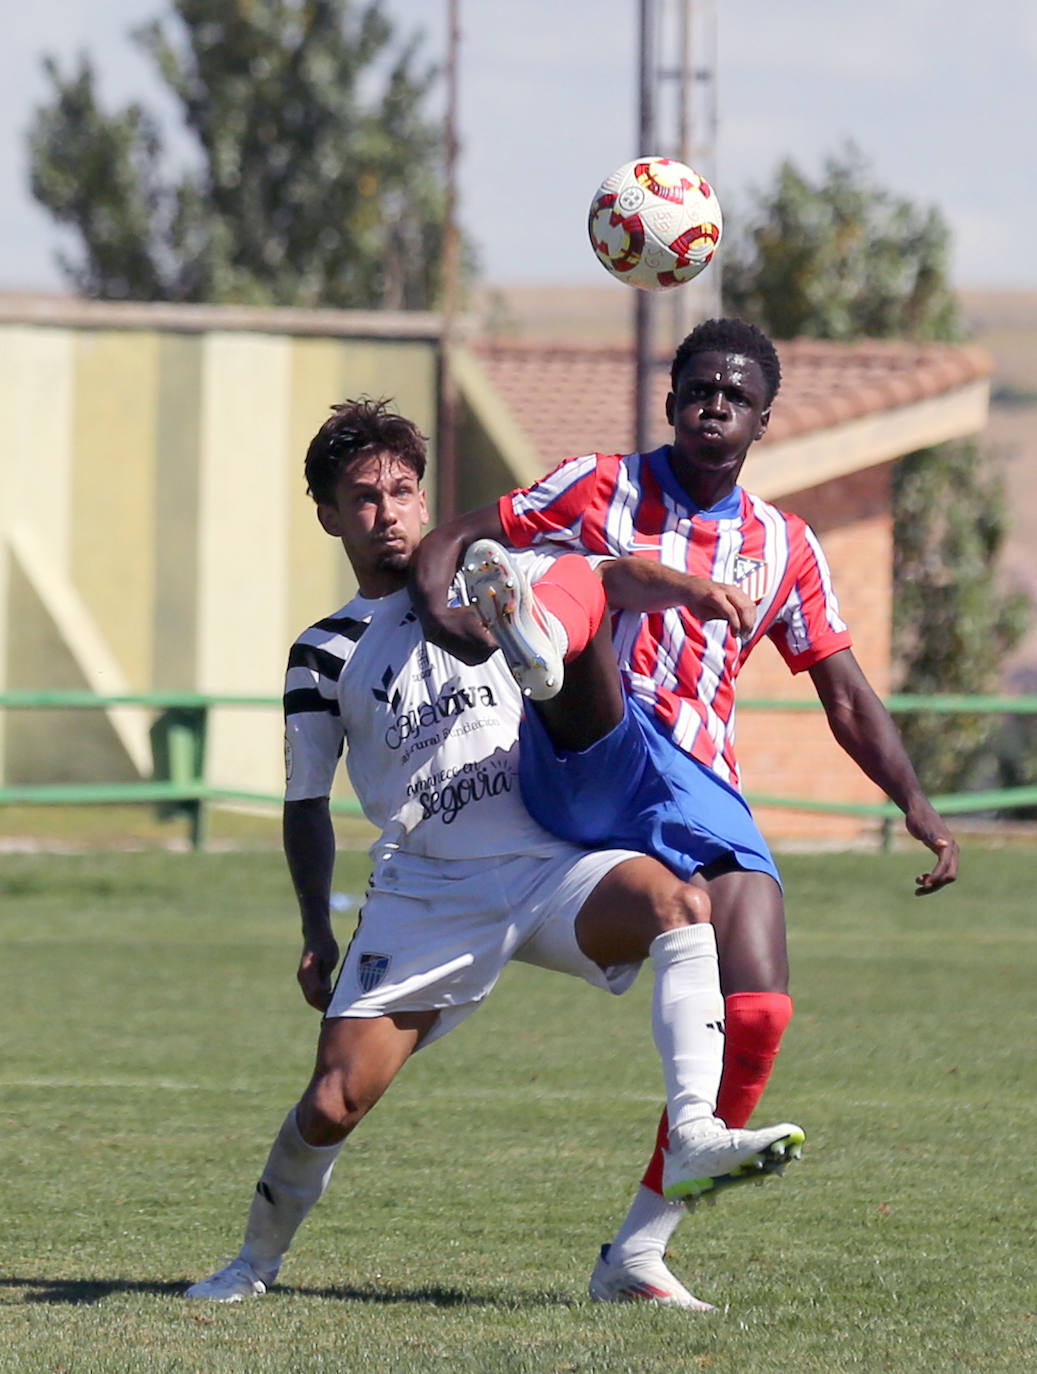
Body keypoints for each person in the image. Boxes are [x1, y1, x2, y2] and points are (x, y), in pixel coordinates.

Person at [184, 395, 804, 1305]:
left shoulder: (496, 580)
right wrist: (316, 930)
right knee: (331, 1103)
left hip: (549, 862)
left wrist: (684, 587)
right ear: (327, 516)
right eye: (362, 497)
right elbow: (305, 805)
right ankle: (252, 1264)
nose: (386, 511)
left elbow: (607, 574)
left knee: (680, 905)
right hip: (427, 889)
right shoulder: (322, 653)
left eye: (401, 490)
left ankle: (697, 1129)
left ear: (425, 501)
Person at [410, 316, 959, 1309]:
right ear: (669, 403)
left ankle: (635, 1251)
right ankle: (542, 644)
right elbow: (458, 534)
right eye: (698, 388)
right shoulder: (597, 484)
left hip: (694, 791)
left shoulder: (782, 546)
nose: (714, 405)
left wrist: (916, 804)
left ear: (760, 419)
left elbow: (840, 692)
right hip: (585, 753)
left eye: (735, 396)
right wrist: (446, 607)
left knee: (759, 1005)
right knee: (584, 589)